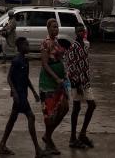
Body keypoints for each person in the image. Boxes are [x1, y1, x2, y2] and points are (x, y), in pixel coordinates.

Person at [0, 36, 45, 157]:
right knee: (31, 117)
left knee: (12, 120)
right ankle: (37, 149)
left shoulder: (25, 60)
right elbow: (9, 78)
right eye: (25, 45)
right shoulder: (16, 60)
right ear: (19, 47)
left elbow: (26, 78)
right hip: (19, 96)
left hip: (23, 94)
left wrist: (34, 92)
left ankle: (2, 145)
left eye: (28, 44)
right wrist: (14, 92)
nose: (28, 47)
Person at [39, 17, 69, 155]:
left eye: (57, 27)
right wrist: (56, 78)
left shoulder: (56, 42)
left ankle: (48, 136)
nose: (55, 29)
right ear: (48, 28)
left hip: (60, 81)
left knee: (64, 108)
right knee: (50, 114)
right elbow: (45, 64)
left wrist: (64, 76)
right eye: (53, 27)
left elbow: (60, 59)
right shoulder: (45, 43)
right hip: (48, 82)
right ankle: (49, 141)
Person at [66, 21, 96, 149]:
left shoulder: (84, 46)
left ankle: (82, 134)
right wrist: (76, 83)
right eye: (78, 31)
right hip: (77, 83)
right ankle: (73, 138)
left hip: (85, 82)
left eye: (82, 31)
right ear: (75, 33)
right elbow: (71, 66)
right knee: (76, 108)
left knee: (92, 105)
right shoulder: (73, 47)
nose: (81, 33)